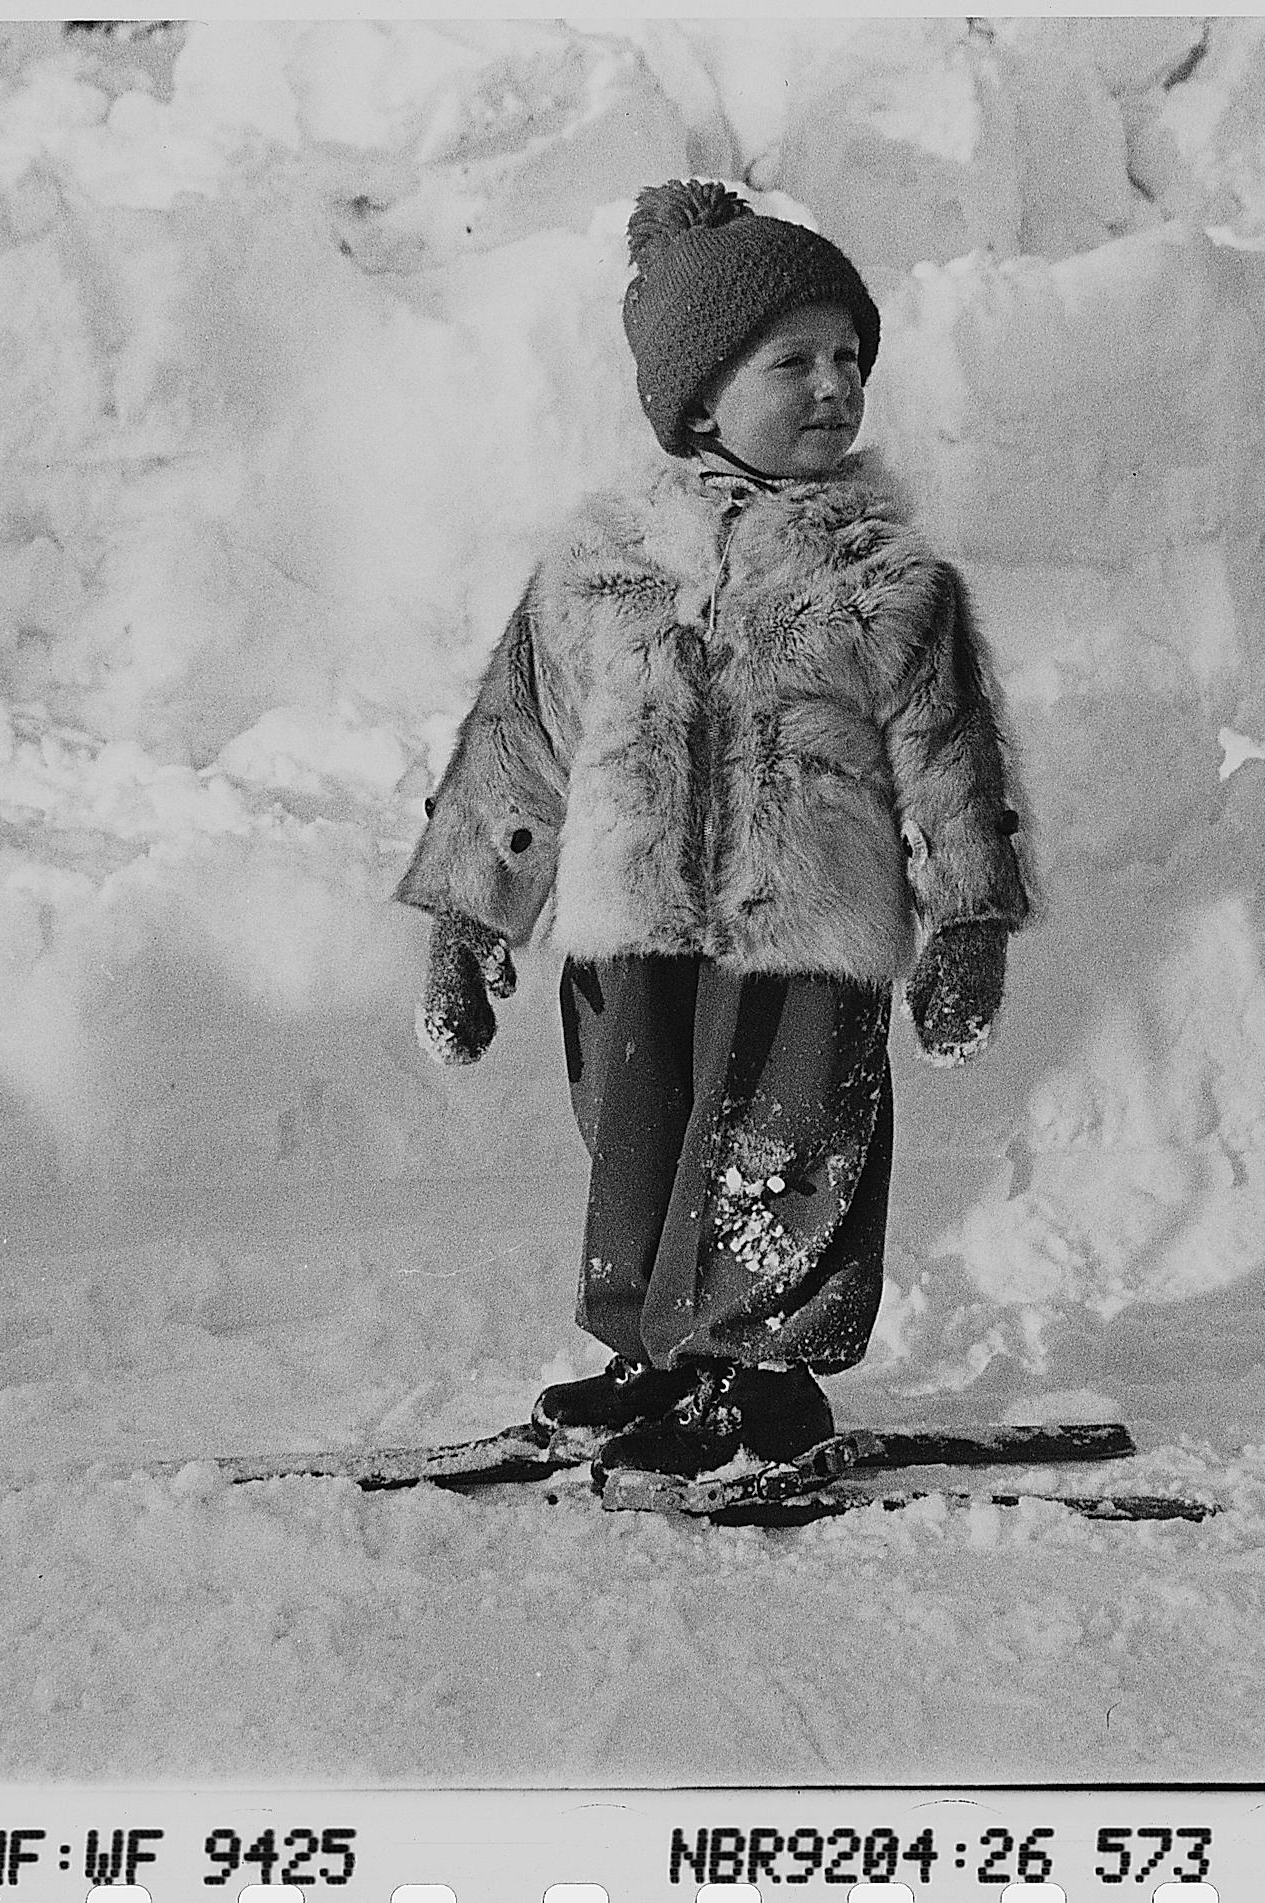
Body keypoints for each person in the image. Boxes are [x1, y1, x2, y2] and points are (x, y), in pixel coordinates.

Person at [392, 179, 1033, 1479]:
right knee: (638, 1135)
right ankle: (661, 1358)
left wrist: (969, 918)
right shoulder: (600, 567)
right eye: (792, 360)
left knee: (780, 1149)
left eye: (850, 357)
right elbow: (519, 744)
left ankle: (765, 1385)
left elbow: (953, 759)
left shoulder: (886, 580)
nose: (835, 386)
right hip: (633, 925)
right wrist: (471, 916)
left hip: (809, 935)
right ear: (698, 399)